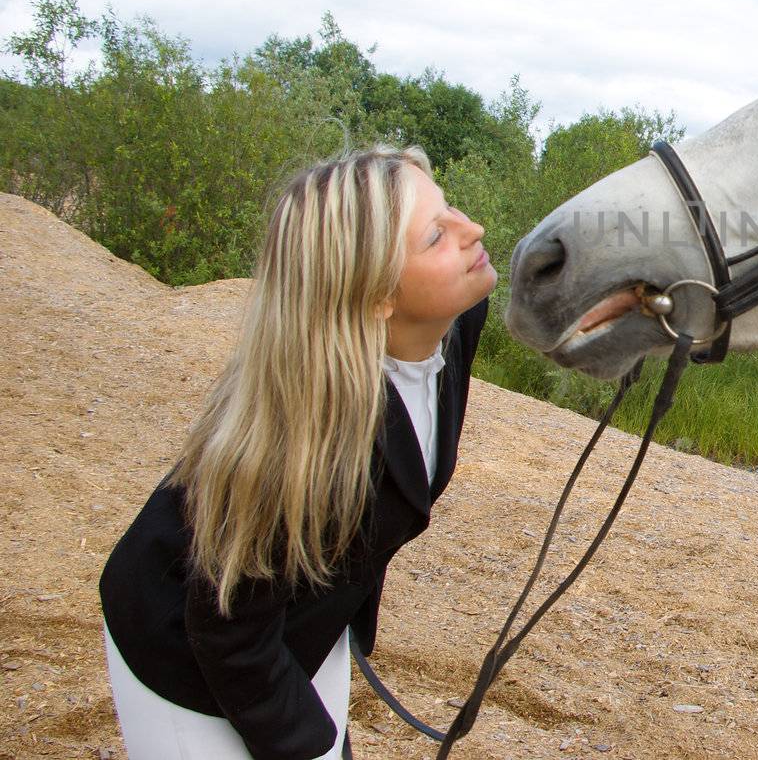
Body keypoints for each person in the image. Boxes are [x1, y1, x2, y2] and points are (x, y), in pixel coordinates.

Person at [98, 145, 498, 760]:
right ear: (375, 297)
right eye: (435, 237)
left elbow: (557, 290)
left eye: (451, 209)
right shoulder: (302, 447)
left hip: (302, 621)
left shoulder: (450, 323)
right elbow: (228, 630)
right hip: (187, 647)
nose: (474, 231)